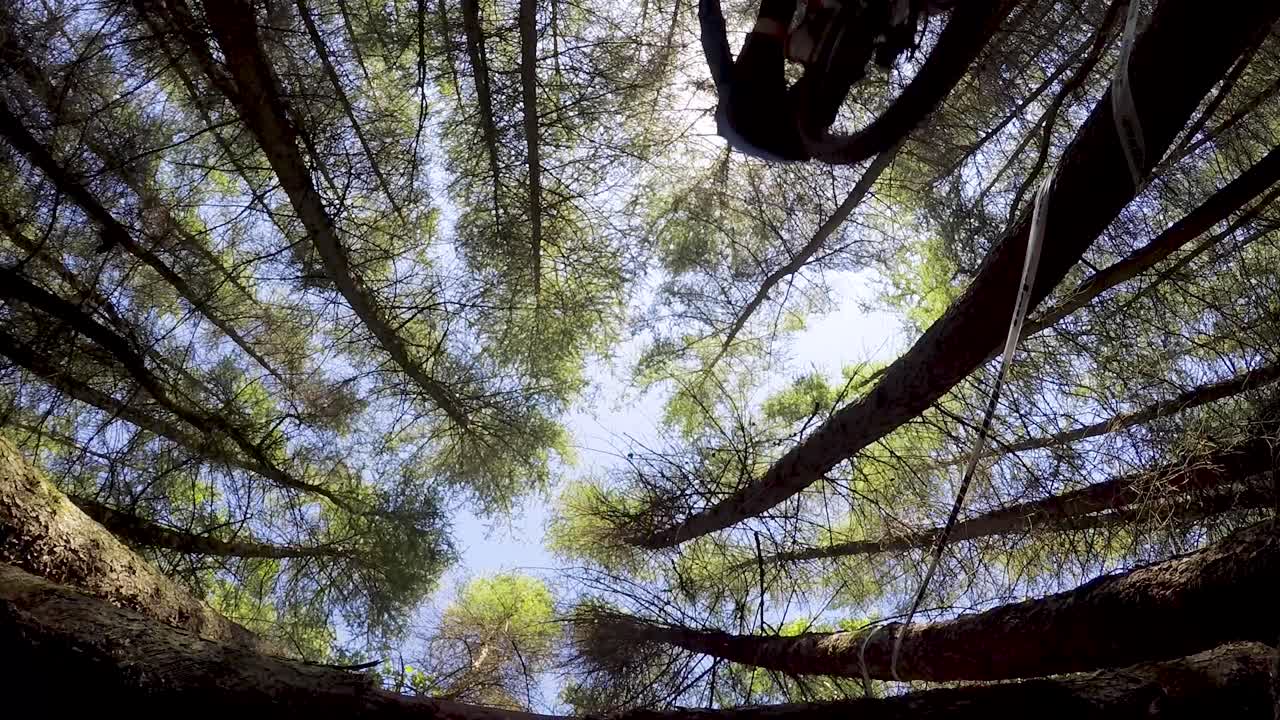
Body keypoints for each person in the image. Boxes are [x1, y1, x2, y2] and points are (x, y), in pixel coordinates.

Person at [714, 0, 952, 162]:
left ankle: (870, 22)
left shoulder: (734, 103)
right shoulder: (729, 101)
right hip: (751, 120)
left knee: (831, 73)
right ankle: (860, 24)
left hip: (796, 146)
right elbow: (714, 46)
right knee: (775, 22)